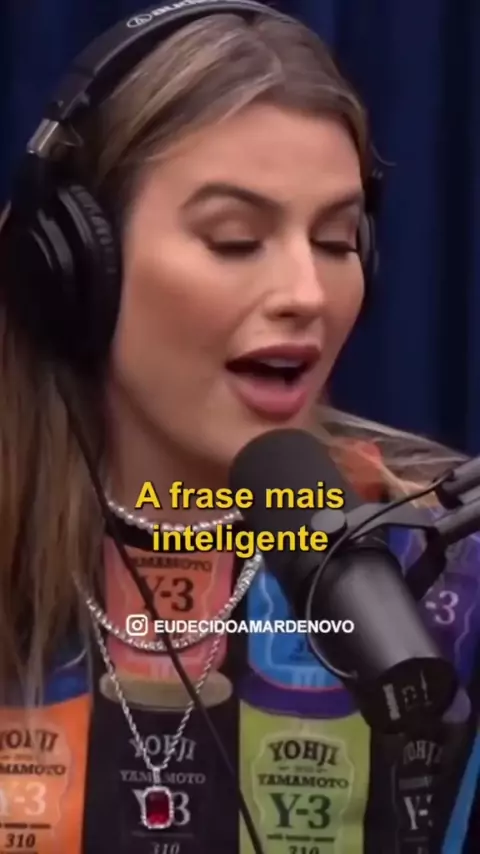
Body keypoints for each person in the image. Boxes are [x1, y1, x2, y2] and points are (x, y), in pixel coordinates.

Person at [0, 2, 479, 852]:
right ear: (76, 268)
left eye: (336, 241)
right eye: (234, 239)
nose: (306, 293)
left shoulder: (447, 567)